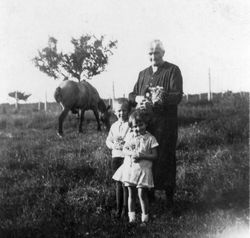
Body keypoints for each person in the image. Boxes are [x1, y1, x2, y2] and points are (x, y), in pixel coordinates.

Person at [129, 39, 183, 207]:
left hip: (165, 125)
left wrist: (161, 97)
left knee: (166, 158)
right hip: (147, 126)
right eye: (150, 53)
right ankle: (149, 196)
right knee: (147, 158)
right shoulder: (143, 73)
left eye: (157, 53)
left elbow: (178, 96)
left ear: (163, 53)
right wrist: (137, 97)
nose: (153, 56)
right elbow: (132, 95)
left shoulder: (172, 70)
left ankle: (169, 198)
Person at [112, 110, 158, 224]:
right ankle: (131, 219)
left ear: (146, 124)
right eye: (135, 126)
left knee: (142, 194)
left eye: (141, 125)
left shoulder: (150, 138)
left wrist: (143, 155)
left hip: (143, 170)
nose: (138, 129)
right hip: (131, 169)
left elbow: (155, 155)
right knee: (131, 193)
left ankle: (145, 219)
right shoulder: (131, 136)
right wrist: (131, 154)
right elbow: (125, 149)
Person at [106, 98, 130, 218]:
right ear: (115, 112)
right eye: (119, 111)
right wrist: (113, 145)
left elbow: (133, 139)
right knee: (118, 184)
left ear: (128, 111)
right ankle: (118, 209)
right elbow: (108, 140)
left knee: (126, 183)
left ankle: (126, 210)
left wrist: (126, 144)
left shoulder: (131, 124)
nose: (121, 113)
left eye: (124, 110)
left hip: (126, 158)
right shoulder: (114, 126)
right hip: (116, 157)